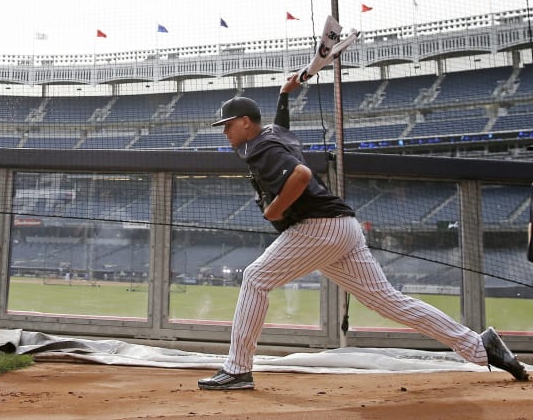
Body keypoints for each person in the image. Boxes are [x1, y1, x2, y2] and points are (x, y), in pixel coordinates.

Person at [198, 75, 529, 390]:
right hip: (343, 228)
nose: (224, 131)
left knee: (256, 277)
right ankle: (479, 344)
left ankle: (238, 369)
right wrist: (285, 94)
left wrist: (275, 209)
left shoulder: (260, 148)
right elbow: (281, 125)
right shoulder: (272, 135)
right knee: (388, 300)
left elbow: (299, 174)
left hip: (318, 228)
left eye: (227, 124)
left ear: (245, 122)